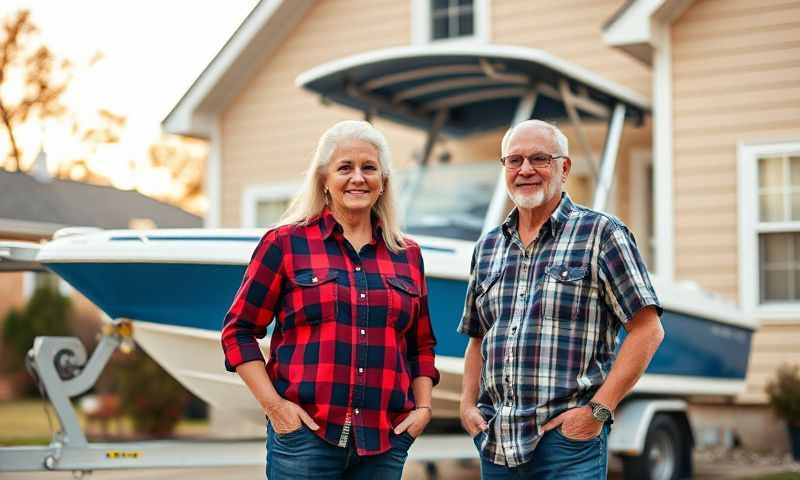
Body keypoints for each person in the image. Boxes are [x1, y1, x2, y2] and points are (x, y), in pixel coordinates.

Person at [221, 120, 439, 479]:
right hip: (305, 440)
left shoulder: (407, 255)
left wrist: (424, 409)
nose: (358, 177)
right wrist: (275, 407)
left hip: (384, 444)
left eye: (369, 168)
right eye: (345, 168)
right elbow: (238, 332)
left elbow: (421, 344)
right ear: (324, 179)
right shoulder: (285, 244)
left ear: (383, 181)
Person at [458, 119, 665, 479]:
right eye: (514, 160)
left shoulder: (602, 234)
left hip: (568, 444)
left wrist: (598, 411)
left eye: (539, 159)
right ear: (504, 168)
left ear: (564, 167)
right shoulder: (487, 246)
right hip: (496, 443)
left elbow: (648, 331)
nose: (525, 170)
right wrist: (466, 406)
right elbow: (478, 337)